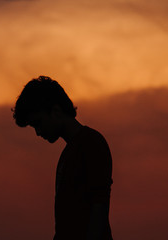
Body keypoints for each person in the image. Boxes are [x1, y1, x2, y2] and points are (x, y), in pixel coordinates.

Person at [12, 76, 113, 240]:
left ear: (56, 111)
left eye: (38, 123)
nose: (37, 132)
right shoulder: (68, 154)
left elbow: (99, 207)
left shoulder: (91, 143)